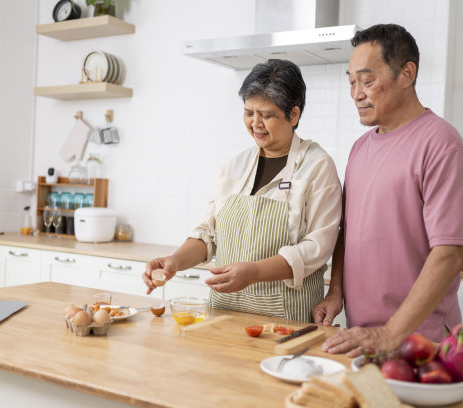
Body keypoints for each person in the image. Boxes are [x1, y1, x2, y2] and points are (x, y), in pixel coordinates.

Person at [313, 24, 463, 355]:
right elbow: (348, 231)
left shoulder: (442, 144)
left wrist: (389, 334)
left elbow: (450, 254)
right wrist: (335, 292)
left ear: (407, 74)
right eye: (351, 82)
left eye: (367, 81)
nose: (356, 93)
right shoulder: (360, 148)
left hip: (419, 339)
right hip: (364, 336)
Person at [143, 59, 342, 322]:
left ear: (293, 115)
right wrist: (175, 261)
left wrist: (254, 273)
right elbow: (208, 235)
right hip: (223, 313)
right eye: (249, 113)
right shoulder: (235, 166)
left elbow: (318, 248)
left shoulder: (317, 165)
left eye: (267, 115)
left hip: (285, 318)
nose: (255, 123)